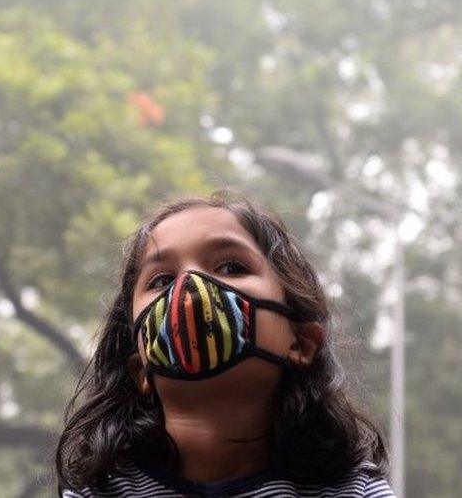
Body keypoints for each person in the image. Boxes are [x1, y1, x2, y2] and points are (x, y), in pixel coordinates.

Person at [56, 189, 394, 497]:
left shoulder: (353, 492)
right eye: (161, 280)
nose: (189, 288)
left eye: (231, 267)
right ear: (139, 367)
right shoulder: (101, 493)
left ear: (302, 343)